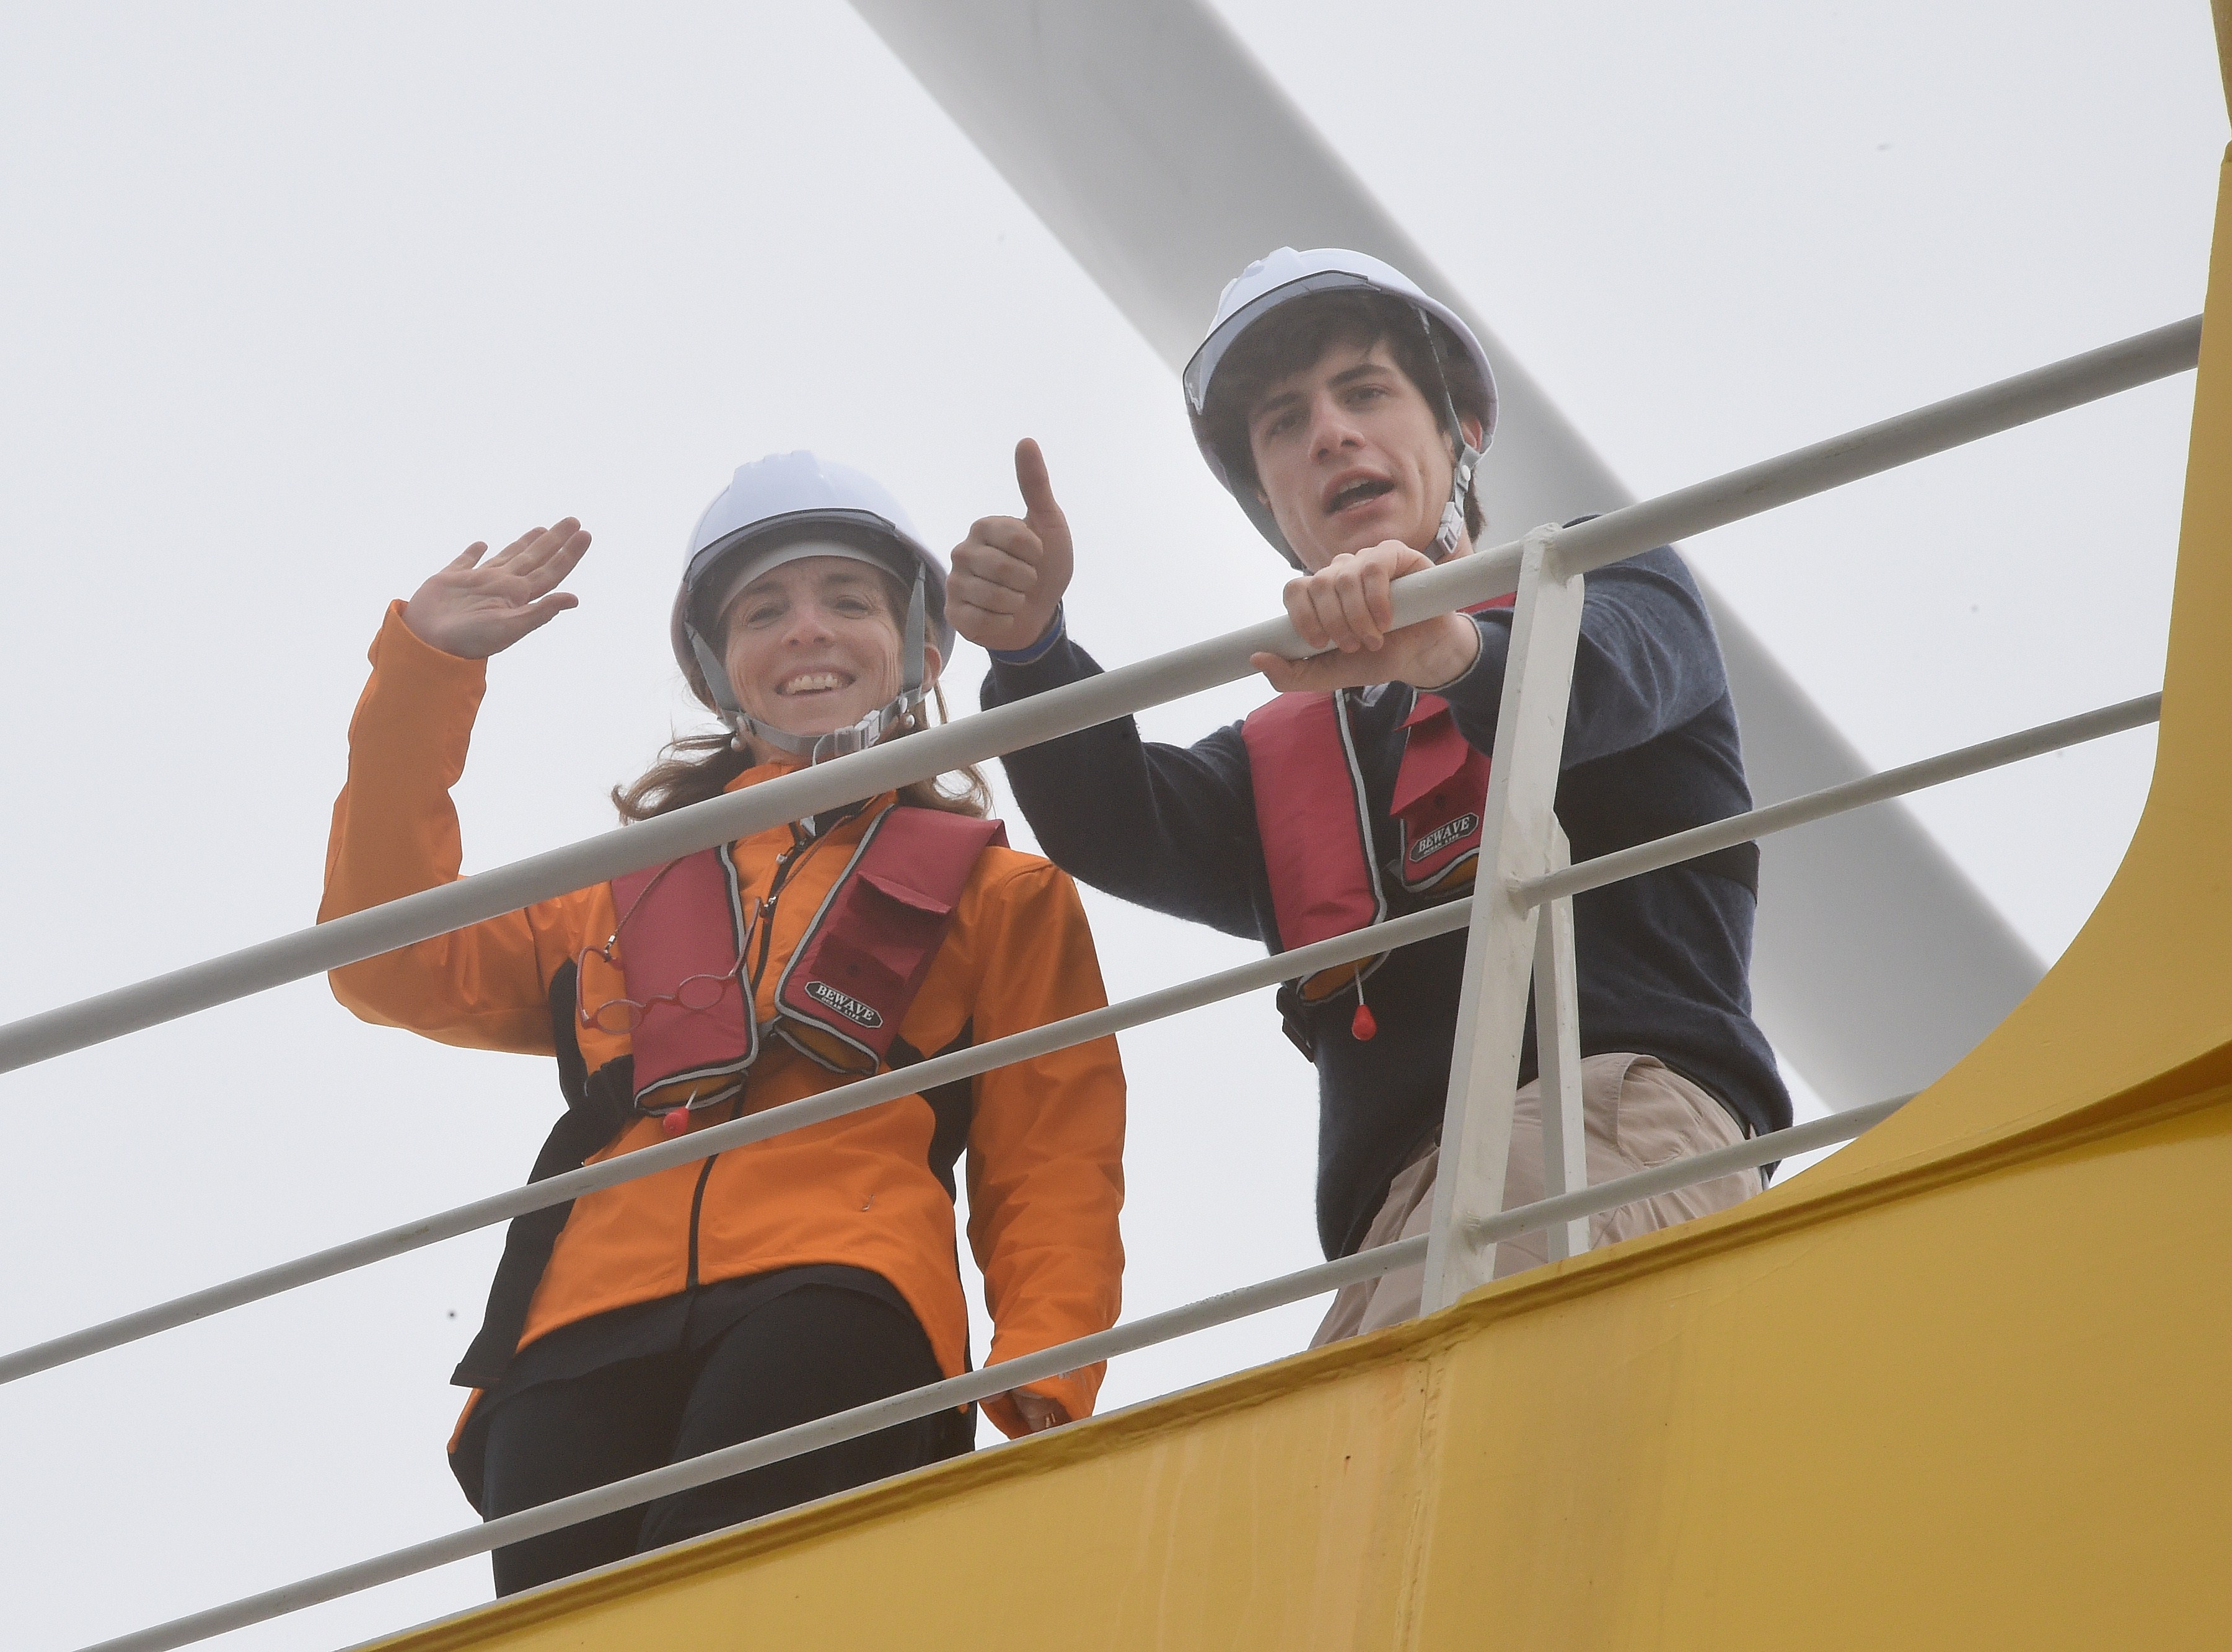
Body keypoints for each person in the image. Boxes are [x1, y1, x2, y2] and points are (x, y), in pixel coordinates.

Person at [948, 247, 1785, 1345]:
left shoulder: (1601, 578)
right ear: (1271, 503)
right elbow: (1118, 818)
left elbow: (1594, 679)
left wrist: (1444, 649)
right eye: (1284, 424)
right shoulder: (1290, 748)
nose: (1330, 433)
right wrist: (1033, 650)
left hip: (1608, 1126)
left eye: (1365, 391)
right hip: (1394, 1224)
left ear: (1460, 434)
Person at [320, 452, 1125, 1594]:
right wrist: (425, 673)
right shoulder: (615, 891)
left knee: (727, 1602)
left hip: (839, 1288)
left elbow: (1054, 1152)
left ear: (921, 650)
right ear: (717, 671)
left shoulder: (1003, 897)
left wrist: (1049, 1358)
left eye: (848, 600)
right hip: (575, 1327)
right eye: (764, 610)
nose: (807, 630)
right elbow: (385, 961)